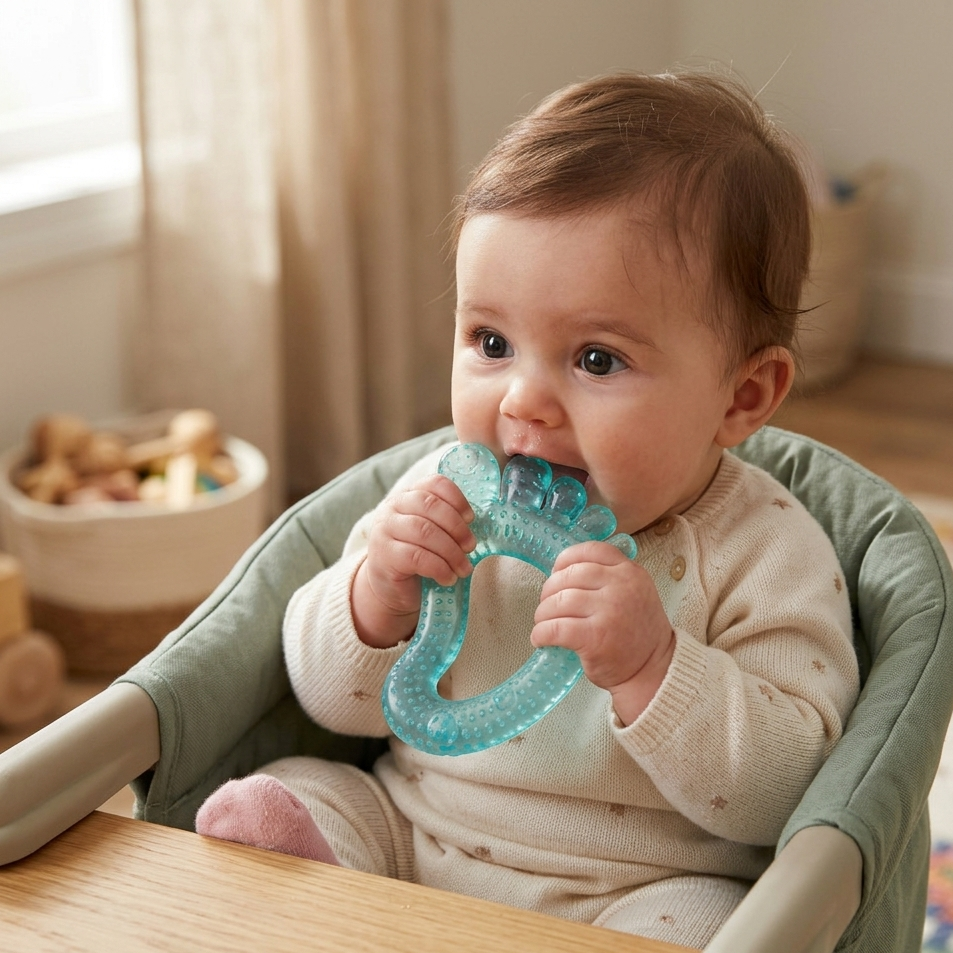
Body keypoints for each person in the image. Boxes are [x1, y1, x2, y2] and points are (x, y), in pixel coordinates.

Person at [195, 70, 859, 948]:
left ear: (742, 395)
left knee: (717, 927)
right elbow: (329, 697)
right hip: (413, 834)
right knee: (291, 792)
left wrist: (653, 664)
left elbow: (793, 787)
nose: (523, 402)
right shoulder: (446, 490)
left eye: (595, 359)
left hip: (637, 889)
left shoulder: (767, 548)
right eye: (491, 342)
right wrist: (377, 593)